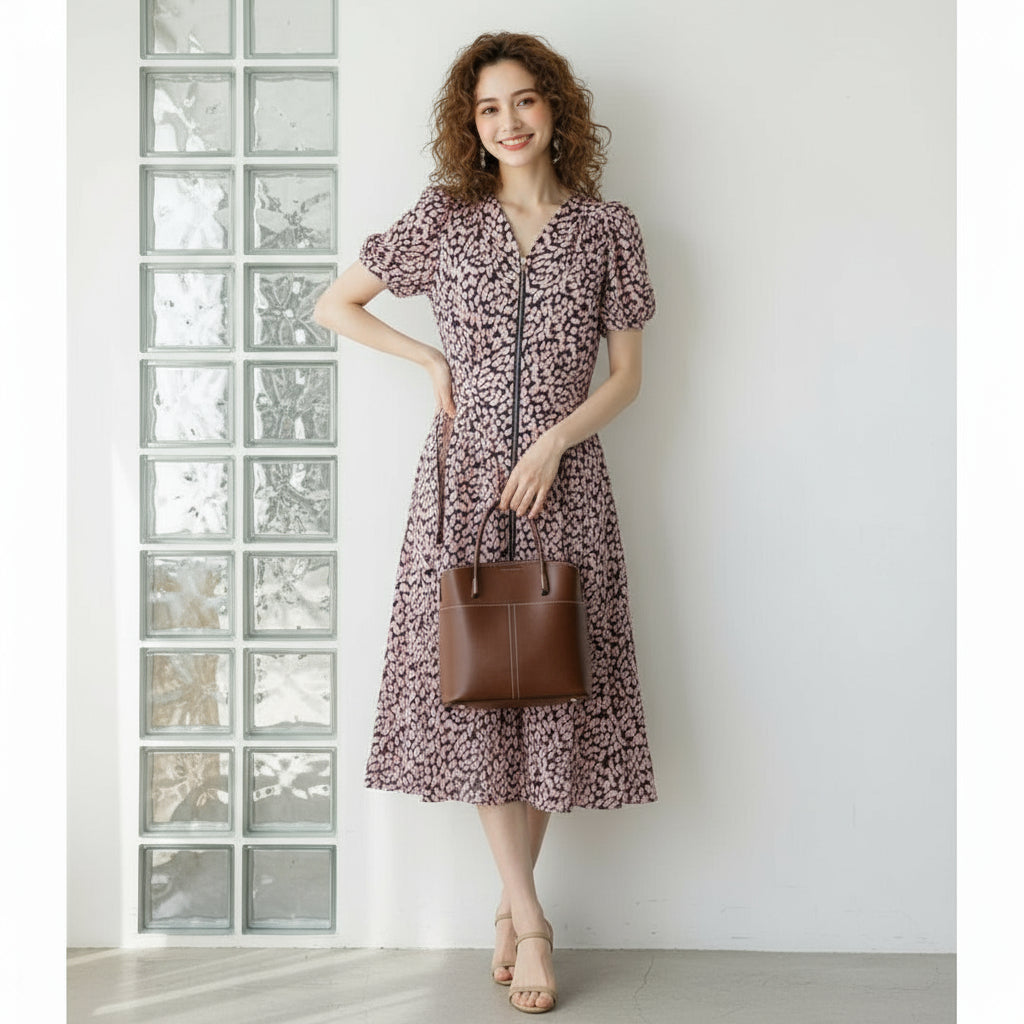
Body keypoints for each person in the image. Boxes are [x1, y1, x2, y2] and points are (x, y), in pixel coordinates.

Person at [313, 30, 658, 1015]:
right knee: (478, 691)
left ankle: (511, 906)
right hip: (461, 488)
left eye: (523, 101)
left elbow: (628, 378)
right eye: (487, 109)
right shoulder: (444, 220)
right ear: (470, 125)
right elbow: (335, 304)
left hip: (563, 490)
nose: (507, 123)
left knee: (545, 687)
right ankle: (530, 914)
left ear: (556, 108)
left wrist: (553, 442)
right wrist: (429, 363)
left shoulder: (607, 229)